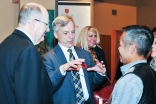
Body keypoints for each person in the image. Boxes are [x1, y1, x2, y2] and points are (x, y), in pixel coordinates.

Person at [42, 15, 106, 104]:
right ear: (56, 34)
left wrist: (100, 73)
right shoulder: (48, 58)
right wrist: (62, 70)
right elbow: (47, 86)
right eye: (66, 33)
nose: (71, 36)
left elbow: (94, 82)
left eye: (73, 32)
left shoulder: (85, 55)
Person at [0, 3, 53, 104]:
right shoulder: (28, 50)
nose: (48, 29)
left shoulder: (6, 43)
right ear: (33, 23)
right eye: (46, 24)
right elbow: (30, 98)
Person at [109, 25, 156, 104]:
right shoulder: (151, 71)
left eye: (120, 45)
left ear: (132, 48)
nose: (118, 48)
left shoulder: (129, 80)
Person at [76, 26, 109, 90]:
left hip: (98, 86)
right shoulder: (77, 51)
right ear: (84, 37)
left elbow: (105, 71)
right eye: (90, 36)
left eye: (95, 36)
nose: (93, 38)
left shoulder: (99, 50)